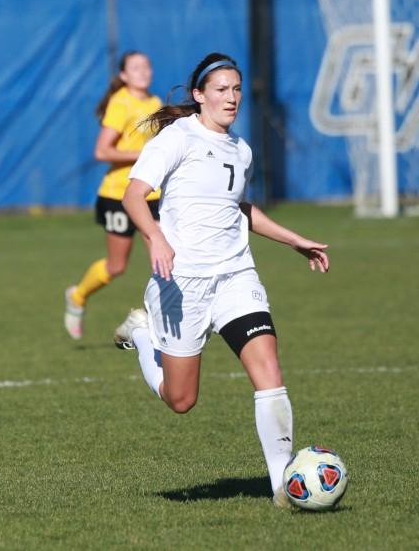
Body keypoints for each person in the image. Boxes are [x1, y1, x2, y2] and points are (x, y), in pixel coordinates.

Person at [113, 53, 330, 508]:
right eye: (221, 90)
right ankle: (141, 332)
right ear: (199, 95)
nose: (231, 98)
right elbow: (134, 196)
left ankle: (281, 489)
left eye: (236, 89)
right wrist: (154, 238)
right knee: (181, 399)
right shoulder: (177, 139)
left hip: (234, 276)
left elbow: (239, 208)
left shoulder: (241, 148)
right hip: (181, 282)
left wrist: (293, 240)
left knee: (269, 370)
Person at [64, 51, 163, 340]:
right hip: (118, 195)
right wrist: (144, 154)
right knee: (116, 266)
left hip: (151, 194)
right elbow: (102, 151)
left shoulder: (156, 103)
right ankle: (78, 296)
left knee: (163, 257)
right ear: (123, 75)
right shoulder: (121, 103)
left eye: (146, 65)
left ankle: (155, 325)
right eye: (135, 67)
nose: (143, 71)